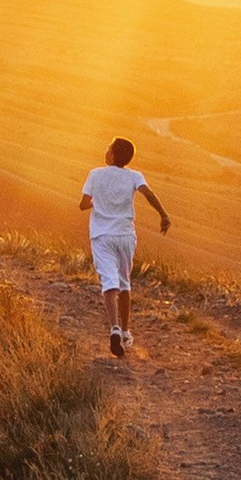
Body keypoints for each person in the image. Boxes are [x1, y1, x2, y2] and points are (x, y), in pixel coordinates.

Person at [80, 136, 171, 359]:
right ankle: (127, 331)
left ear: (111, 155)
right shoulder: (134, 175)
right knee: (124, 283)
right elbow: (148, 193)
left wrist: (98, 203)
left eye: (108, 147)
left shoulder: (95, 174)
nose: (106, 150)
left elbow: (83, 204)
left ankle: (114, 329)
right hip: (125, 235)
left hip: (102, 235)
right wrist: (163, 214)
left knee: (109, 284)